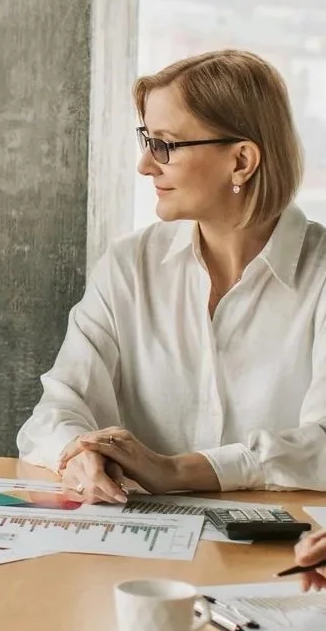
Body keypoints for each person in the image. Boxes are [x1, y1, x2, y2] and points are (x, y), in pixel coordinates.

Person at [17, 49, 326, 500]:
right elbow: (56, 409)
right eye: (146, 139)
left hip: (283, 554)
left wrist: (179, 471)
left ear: (241, 161)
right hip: (134, 543)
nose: (145, 164)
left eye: (165, 144)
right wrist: (80, 452)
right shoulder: (129, 264)